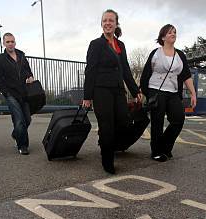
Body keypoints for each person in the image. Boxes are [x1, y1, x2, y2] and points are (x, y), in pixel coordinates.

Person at [82, 9, 142, 174]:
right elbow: (90, 70)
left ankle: (106, 142)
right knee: (107, 125)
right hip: (101, 91)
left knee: (124, 121)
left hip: (118, 91)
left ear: (116, 24)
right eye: (105, 21)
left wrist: (135, 90)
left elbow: (126, 70)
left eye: (111, 20)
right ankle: (107, 161)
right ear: (102, 24)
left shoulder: (120, 45)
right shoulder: (96, 44)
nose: (107, 23)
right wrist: (87, 96)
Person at [140, 24, 196, 161]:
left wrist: (193, 93)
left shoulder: (180, 55)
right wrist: (144, 92)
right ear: (163, 37)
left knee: (178, 119)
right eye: (170, 32)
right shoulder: (155, 53)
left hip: (173, 92)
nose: (173, 34)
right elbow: (146, 73)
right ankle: (156, 152)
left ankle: (165, 146)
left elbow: (186, 76)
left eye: (175, 32)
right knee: (157, 123)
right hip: (156, 90)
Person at [0, 33, 35, 155]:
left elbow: (27, 70)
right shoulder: (0, 59)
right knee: (19, 120)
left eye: (12, 41)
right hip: (11, 94)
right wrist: (6, 93)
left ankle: (16, 134)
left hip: (24, 93)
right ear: (4, 44)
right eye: (8, 42)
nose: (10, 44)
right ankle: (22, 145)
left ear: (15, 42)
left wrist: (30, 76)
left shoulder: (21, 55)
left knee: (27, 119)